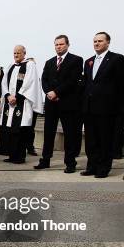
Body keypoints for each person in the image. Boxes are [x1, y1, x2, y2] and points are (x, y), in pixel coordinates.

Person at [80, 32, 124, 178]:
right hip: (89, 108)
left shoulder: (117, 59)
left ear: (108, 43)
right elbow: (87, 83)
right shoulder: (89, 61)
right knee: (91, 140)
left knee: (105, 140)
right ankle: (92, 166)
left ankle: (103, 168)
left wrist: (116, 105)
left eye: (100, 41)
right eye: (95, 41)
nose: (96, 43)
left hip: (107, 109)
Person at [34, 35, 84, 173]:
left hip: (67, 103)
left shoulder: (76, 60)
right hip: (51, 103)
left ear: (67, 45)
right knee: (48, 133)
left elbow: (72, 80)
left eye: (61, 44)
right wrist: (49, 92)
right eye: (56, 44)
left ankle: (70, 163)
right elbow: (43, 79)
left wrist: (56, 92)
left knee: (70, 134)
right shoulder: (49, 62)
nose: (58, 47)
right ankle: (45, 160)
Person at [0, 45, 44, 164]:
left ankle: (20, 157)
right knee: (10, 130)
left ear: (24, 53)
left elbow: (30, 83)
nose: (16, 55)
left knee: (20, 130)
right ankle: (11, 155)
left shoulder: (30, 65)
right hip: (10, 103)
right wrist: (8, 95)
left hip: (22, 103)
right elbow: (3, 83)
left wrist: (17, 97)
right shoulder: (10, 67)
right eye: (14, 53)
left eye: (18, 53)